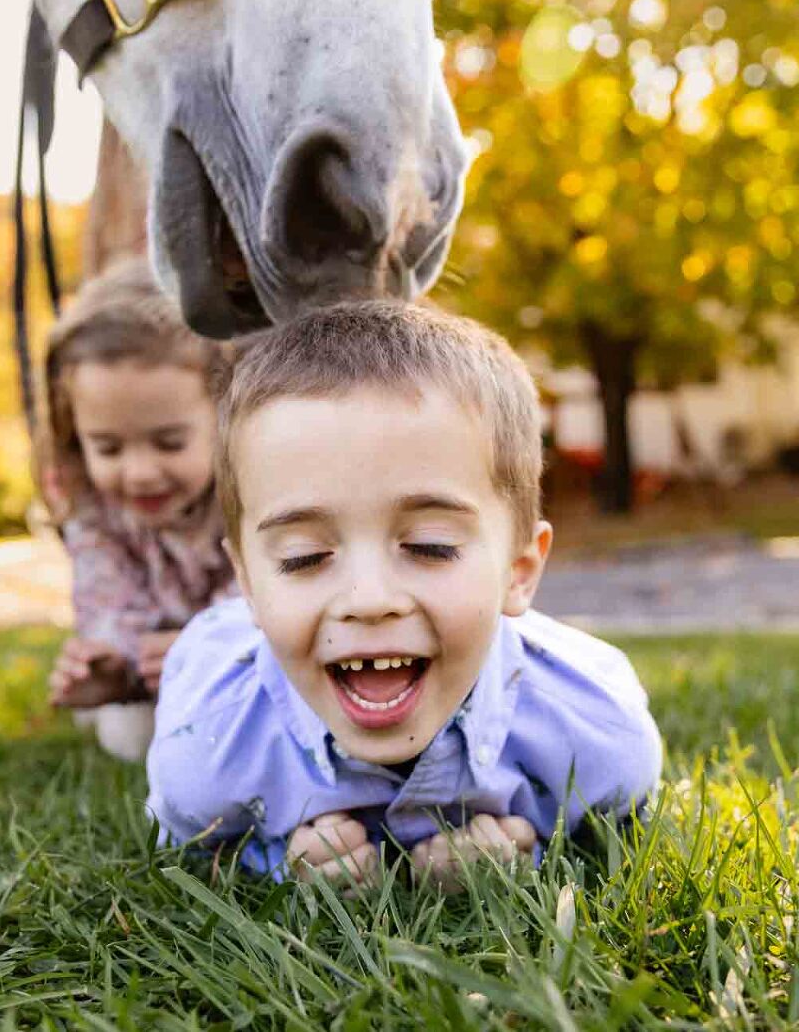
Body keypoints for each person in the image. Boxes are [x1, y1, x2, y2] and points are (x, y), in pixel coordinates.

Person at [145, 301, 663, 888]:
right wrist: (274, 864)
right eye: (304, 557)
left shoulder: (596, 736)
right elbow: (185, 850)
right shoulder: (209, 752)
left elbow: (620, 836)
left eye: (430, 546)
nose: (368, 599)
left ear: (519, 571)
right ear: (249, 584)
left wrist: (532, 853)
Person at [39, 259, 238, 761]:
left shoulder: (253, 493)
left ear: (224, 414)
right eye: (108, 448)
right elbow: (105, 594)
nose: (140, 473)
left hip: (245, 658)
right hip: (152, 664)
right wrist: (112, 665)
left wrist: (203, 651)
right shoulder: (92, 506)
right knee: (130, 739)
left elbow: (268, 600)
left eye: (169, 443)